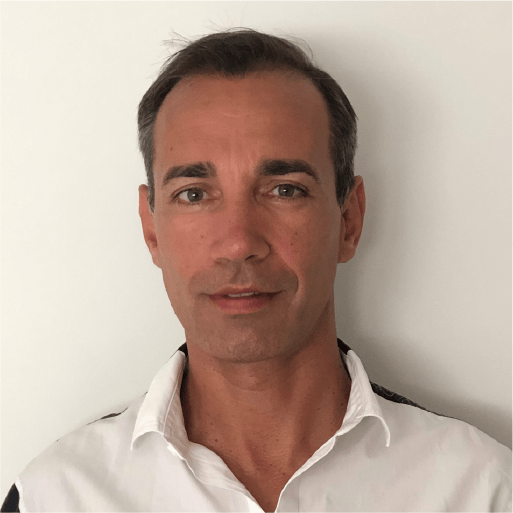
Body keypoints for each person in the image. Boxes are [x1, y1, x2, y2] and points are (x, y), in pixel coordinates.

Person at [2, 29, 511, 513]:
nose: (239, 243)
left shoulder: (480, 489)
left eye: (285, 189)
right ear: (151, 230)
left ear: (349, 220)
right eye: (194, 194)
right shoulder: (56, 497)